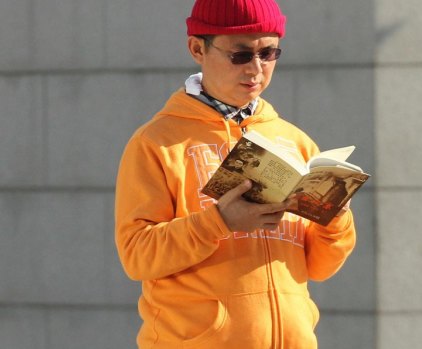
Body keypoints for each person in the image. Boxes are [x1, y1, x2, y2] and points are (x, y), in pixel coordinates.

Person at [114, 0, 357, 348]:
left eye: (269, 53)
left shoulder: (295, 142)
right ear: (198, 48)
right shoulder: (157, 142)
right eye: (240, 55)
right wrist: (219, 221)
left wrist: (334, 219)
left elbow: (319, 267)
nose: (256, 69)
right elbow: (137, 256)